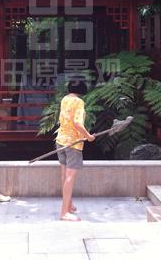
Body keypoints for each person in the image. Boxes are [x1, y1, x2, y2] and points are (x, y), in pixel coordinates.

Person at [55, 81, 95, 221]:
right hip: (73, 144)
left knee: (64, 176)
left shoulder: (65, 99)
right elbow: (77, 123)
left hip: (60, 141)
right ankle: (64, 213)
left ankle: (69, 205)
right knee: (70, 178)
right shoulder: (79, 102)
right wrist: (88, 136)